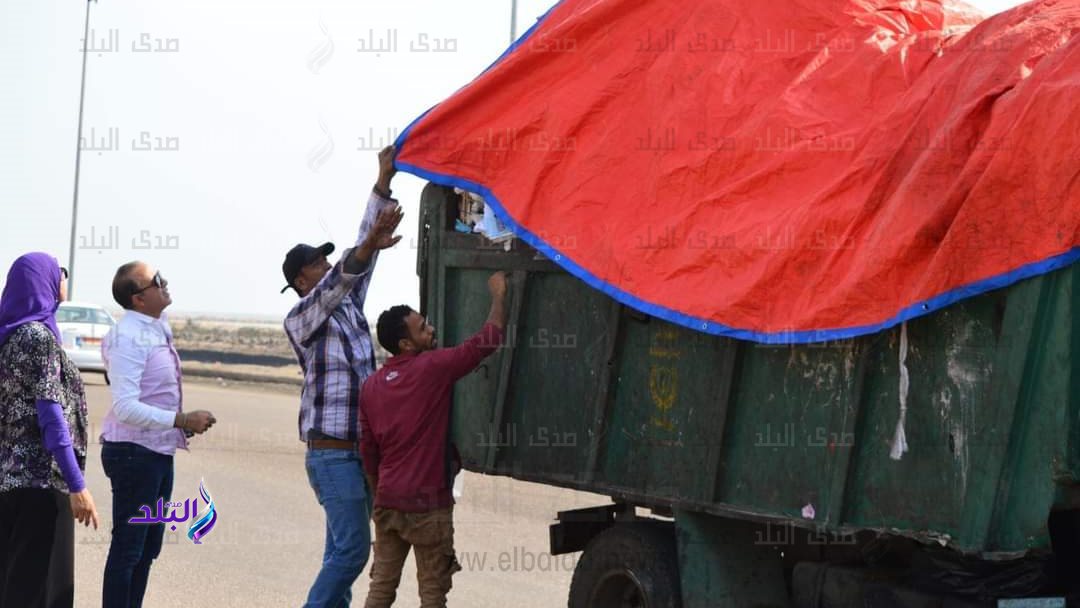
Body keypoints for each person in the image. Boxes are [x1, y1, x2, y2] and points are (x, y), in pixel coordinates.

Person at [283, 145, 405, 608]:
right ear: (301, 280)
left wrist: (382, 181)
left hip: (357, 453)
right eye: (318, 263)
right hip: (331, 455)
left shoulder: (348, 307)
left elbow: (360, 261)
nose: (328, 267)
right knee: (352, 551)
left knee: (339, 550)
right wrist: (367, 245)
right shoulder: (302, 317)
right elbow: (346, 273)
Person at [361, 271, 508, 608]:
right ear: (406, 345)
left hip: (388, 503)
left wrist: (377, 497)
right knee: (432, 593)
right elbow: (486, 341)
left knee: (381, 588)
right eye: (423, 328)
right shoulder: (432, 368)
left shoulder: (371, 386)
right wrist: (499, 295)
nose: (432, 330)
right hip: (428, 505)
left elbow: (368, 453)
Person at [100, 261, 216, 608]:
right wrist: (180, 420)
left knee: (148, 548)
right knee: (129, 549)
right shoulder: (128, 337)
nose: (165, 284)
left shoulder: (154, 327)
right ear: (138, 298)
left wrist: (177, 425)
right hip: (133, 454)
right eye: (157, 281)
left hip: (155, 452)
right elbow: (125, 407)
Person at [0, 253, 99, 608]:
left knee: (15, 588)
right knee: (43, 592)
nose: (63, 278)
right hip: (41, 484)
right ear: (44, 282)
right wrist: (77, 485)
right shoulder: (38, 338)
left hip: (9, 483)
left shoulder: (7, 336)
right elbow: (51, 417)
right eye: (60, 272)